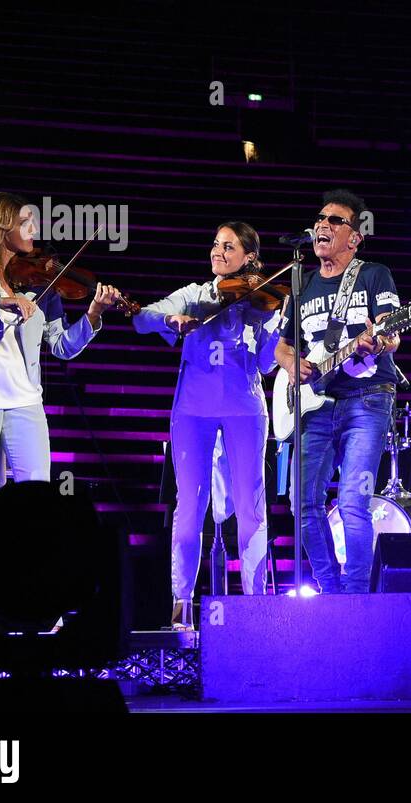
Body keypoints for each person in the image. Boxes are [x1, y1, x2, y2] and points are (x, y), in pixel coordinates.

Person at [0, 192, 121, 523]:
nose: (35, 229)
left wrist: (93, 314)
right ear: (1, 227)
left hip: (25, 403)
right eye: (25, 223)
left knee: (37, 506)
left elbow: (62, 346)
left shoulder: (43, 283)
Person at [133, 222, 280, 630]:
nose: (218, 252)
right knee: (189, 507)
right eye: (215, 243)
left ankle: (256, 604)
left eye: (228, 246)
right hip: (192, 410)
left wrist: (278, 325)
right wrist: (172, 321)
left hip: (245, 408)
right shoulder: (195, 295)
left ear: (248, 257)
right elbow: (142, 319)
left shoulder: (262, 301)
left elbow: (267, 364)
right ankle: (181, 608)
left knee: (251, 506)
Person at [275, 189, 401, 594]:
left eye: (335, 221)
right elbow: (282, 346)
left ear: (355, 237)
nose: (323, 225)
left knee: (352, 501)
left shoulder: (373, 274)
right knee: (302, 504)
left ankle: (356, 596)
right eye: (320, 219)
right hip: (316, 406)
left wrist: (378, 341)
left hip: (367, 398)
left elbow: (391, 332)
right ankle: (330, 591)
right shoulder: (303, 283)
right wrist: (295, 365)